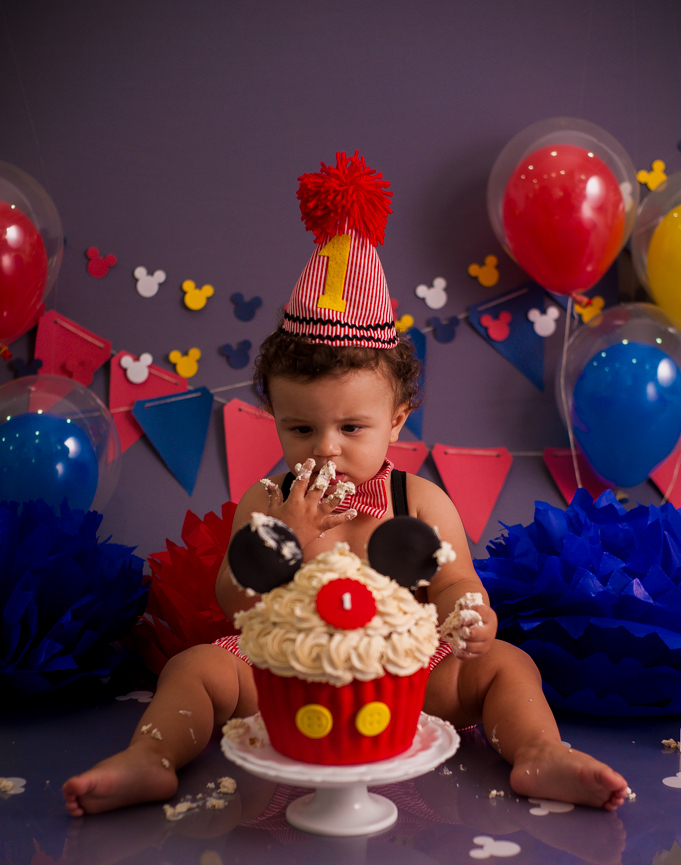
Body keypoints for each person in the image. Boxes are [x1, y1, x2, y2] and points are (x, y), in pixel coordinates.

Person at [63, 152, 629, 816]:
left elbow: (454, 580)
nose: (326, 447)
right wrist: (284, 543)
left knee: (506, 664)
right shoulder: (267, 501)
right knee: (194, 667)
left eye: (352, 427)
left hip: (404, 682)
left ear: (397, 421)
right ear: (272, 416)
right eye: (301, 428)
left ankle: (539, 752)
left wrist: (469, 615)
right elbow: (231, 602)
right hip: (284, 679)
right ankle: (150, 757)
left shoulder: (418, 501)